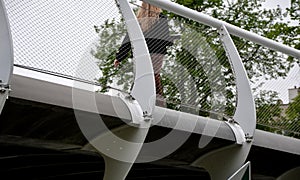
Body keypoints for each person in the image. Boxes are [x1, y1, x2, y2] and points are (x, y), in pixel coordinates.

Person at [114, 2, 174, 106]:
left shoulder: (138, 21)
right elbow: (165, 37)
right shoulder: (161, 18)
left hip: (141, 53)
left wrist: (119, 57)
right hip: (157, 54)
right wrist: (170, 41)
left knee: (141, 76)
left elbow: (128, 39)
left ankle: (135, 101)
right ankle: (159, 104)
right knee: (154, 76)